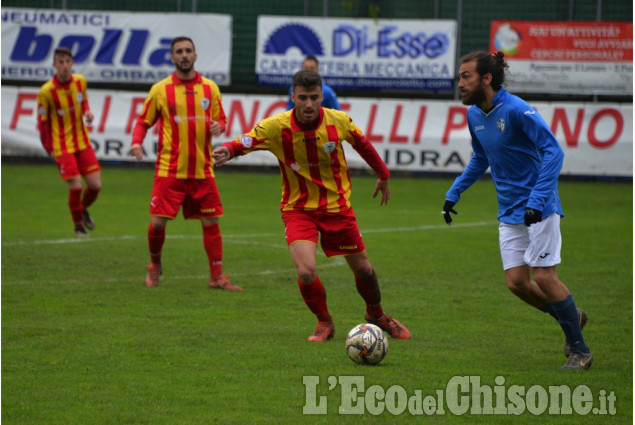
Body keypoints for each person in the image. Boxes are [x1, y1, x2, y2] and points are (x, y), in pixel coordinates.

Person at [213, 69, 410, 342]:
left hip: (337, 207)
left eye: (314, 98)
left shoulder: (338, 121)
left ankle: (377, 314)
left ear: (322, 97)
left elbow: (362, 144)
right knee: (306, 271)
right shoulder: (276, 126)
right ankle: (324, 322)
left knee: (364, 269)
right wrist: (227, 149)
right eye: (302, 98)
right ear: (293, 96)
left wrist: (384, 174)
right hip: (298, 209)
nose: (308, 104)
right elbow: (245, 141)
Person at [442, 50, 592, 369]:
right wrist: (454, 193)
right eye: (459, 77)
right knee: (517, 283)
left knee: (545, 277)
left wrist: (537, 200)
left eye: (466, 76)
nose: (460, 83)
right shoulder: (473, 116)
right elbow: (481, 158)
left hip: (539, 207)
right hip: (510, 211)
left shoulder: (517, 110)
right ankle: (571, 318)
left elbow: (554, 151)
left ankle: (580, 351)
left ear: (487, 78)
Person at [129, 36, 241, 291]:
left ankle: (217, 277)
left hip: (203, 170)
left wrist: (218, 126)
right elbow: (143, 121)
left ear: (195, 55)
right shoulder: (161, 89)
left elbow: (221, 120)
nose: (184, 55)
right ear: (172, 58)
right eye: (179, 51)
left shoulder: (210, 88)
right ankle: (155, 266)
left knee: (212, 222)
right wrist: (137, 142)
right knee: (157, 223)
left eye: (188, 50)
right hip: (170, 170)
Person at [37, 46, 101, 237]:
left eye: (67, 62)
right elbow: (42, 125)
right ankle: (79, 227)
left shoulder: (80, 81)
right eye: (60, 62)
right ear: (54, 65)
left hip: (82, 142)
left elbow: (83, 102)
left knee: (96, 186)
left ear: (72, 63)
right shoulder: (47, 92)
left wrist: (88, 112)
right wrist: (50, 150)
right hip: (62, 147)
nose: (64, 66)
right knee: (76, 186)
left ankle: (81, 208)